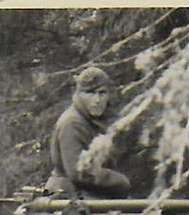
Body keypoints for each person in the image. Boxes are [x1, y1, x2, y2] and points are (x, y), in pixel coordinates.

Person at [45, 66, 132, 199]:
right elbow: (78, 172)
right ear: (78, 94)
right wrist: (119, 181)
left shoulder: (95, 121)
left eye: (102, 93)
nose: (97, 100)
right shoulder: (73, 123)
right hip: (71, 197)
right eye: (90, 93)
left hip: (88, 195)